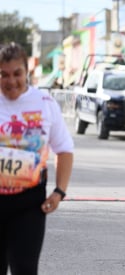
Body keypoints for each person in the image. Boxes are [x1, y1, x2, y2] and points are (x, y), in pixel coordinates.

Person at [0, 42, 74, 274]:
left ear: (27, 71)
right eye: (3, 74)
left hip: (29, 203)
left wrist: (59, 191)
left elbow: (64, 149)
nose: (11, 81)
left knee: (25, 269)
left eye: (17, 74)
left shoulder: (45, 104)